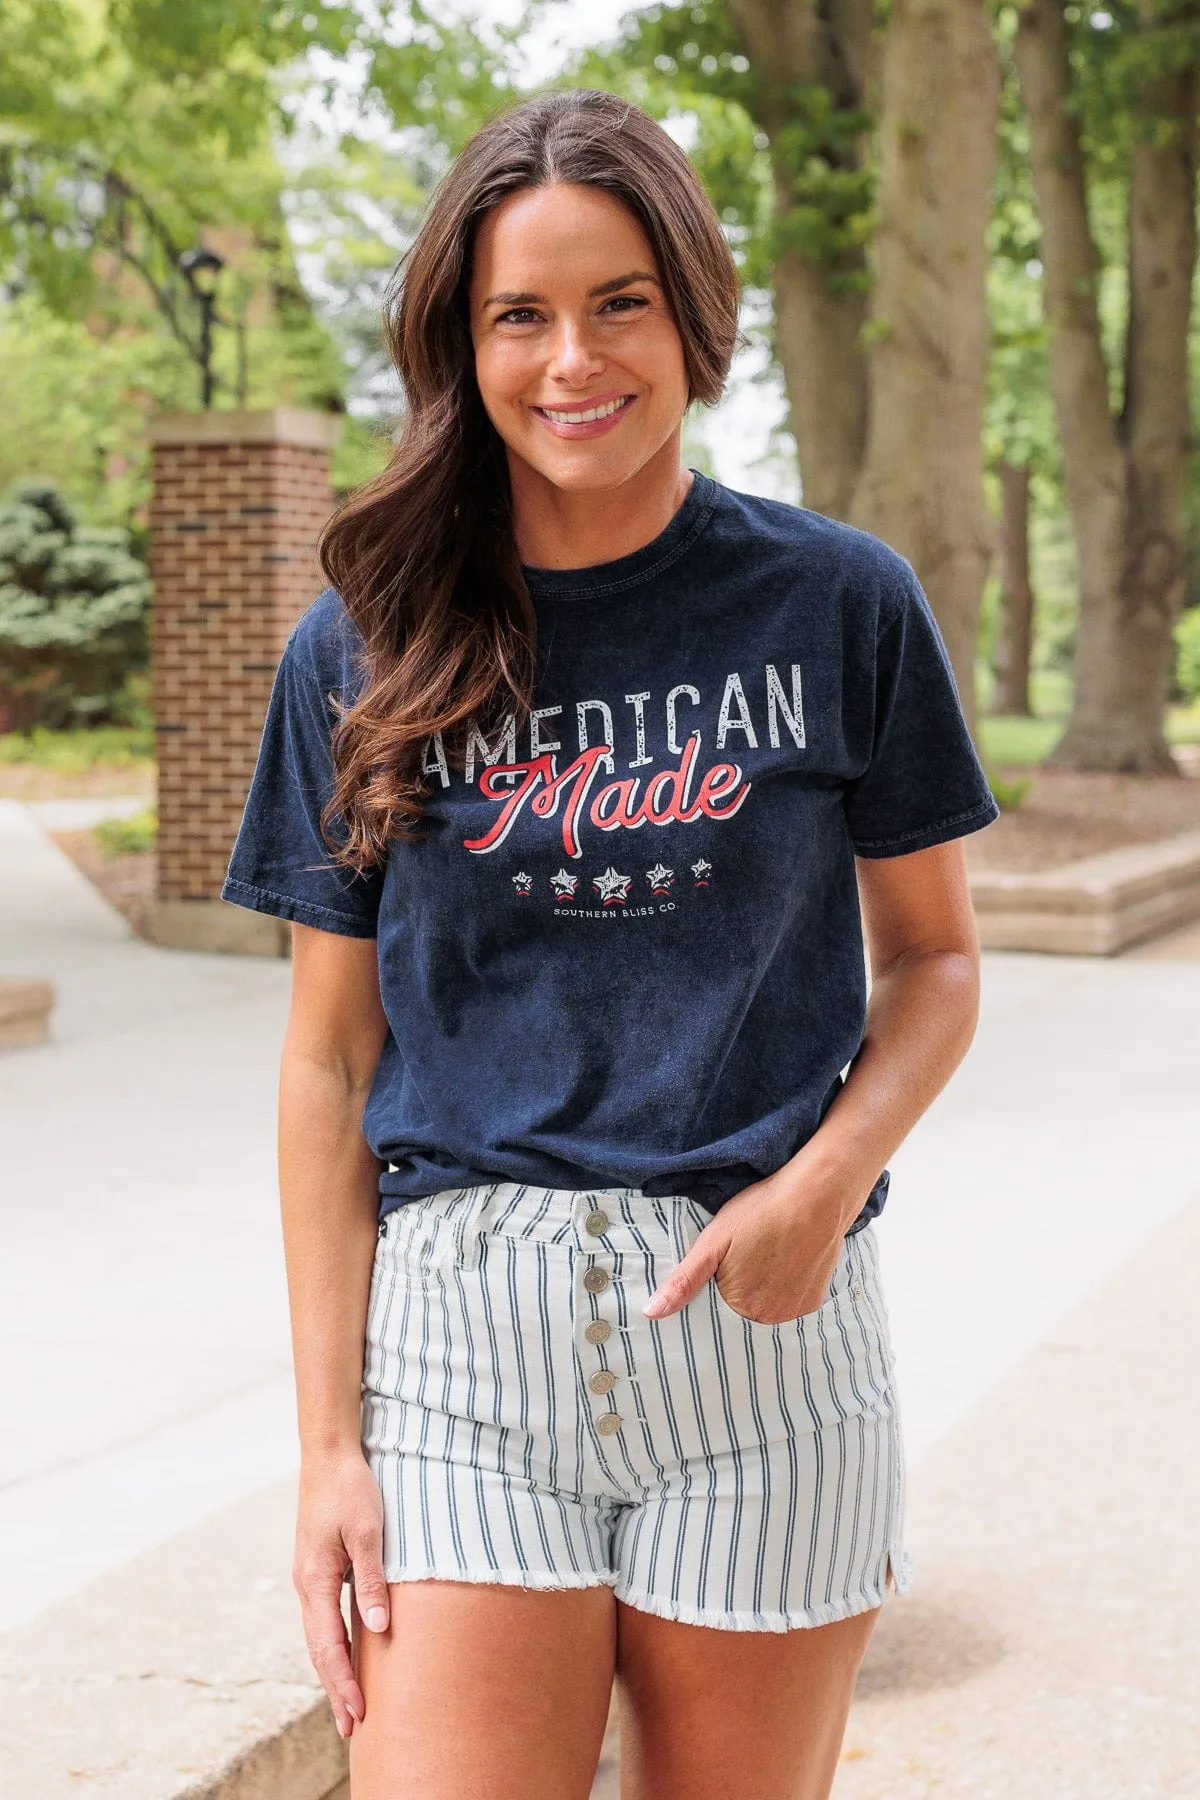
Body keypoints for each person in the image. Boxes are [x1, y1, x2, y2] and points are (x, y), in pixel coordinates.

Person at [221, 86, 1000, 1800]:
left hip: (764, 1336)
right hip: (459, 1355)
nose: (573, 359)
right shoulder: (361, 646)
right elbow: (328, 1057)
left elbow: (937, 965)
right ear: (464, 341)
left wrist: (823, 1185)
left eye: (619, 301)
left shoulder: (837, 603)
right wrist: (327, 1449)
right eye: (521, 314)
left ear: (695, 313)